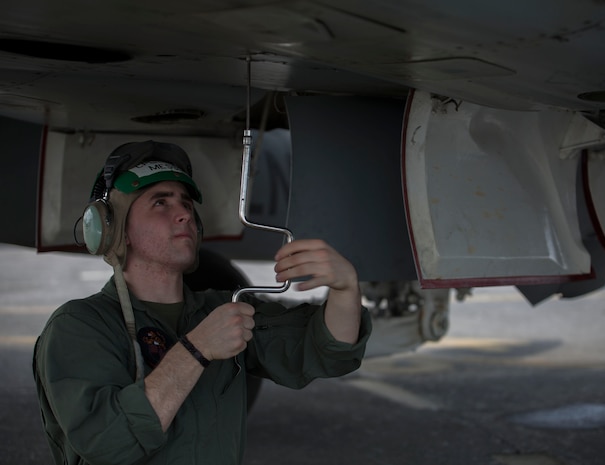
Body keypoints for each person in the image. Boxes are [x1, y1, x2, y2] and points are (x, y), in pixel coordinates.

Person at [33, 140, 372, 465]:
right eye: (160, 203)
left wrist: (345, 289)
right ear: (114, 230)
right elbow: (108, 443)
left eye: (187, 204)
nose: (183, 214)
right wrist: (196, 349)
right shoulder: (80, 326)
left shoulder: (224, 309)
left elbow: (326, 353)